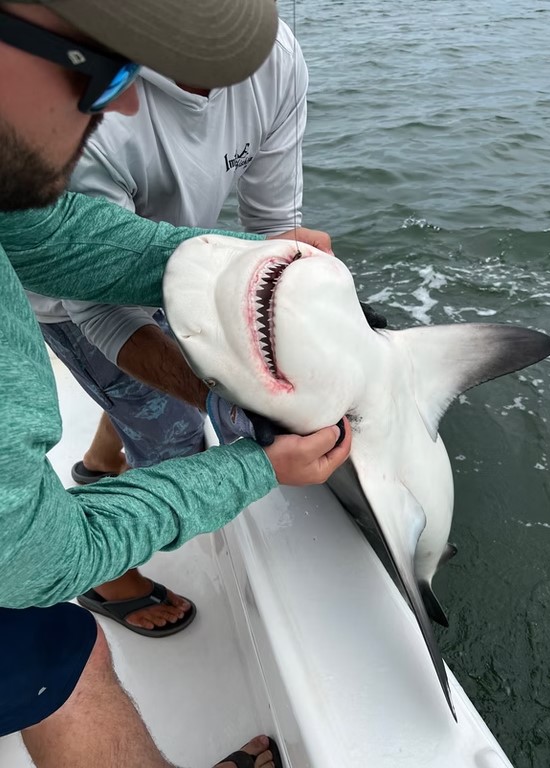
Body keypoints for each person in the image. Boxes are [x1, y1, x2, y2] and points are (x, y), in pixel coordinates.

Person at [0, 3, 352, 767]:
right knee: (50, 655)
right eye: (104, 69)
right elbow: (34, 559)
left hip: (136, 265)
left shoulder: (273, 62)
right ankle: (113, 574)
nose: (126, 100)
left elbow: (40, 235)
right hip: (69, 332)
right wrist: (256, 464)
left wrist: (250, 264)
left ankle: (99, 468)